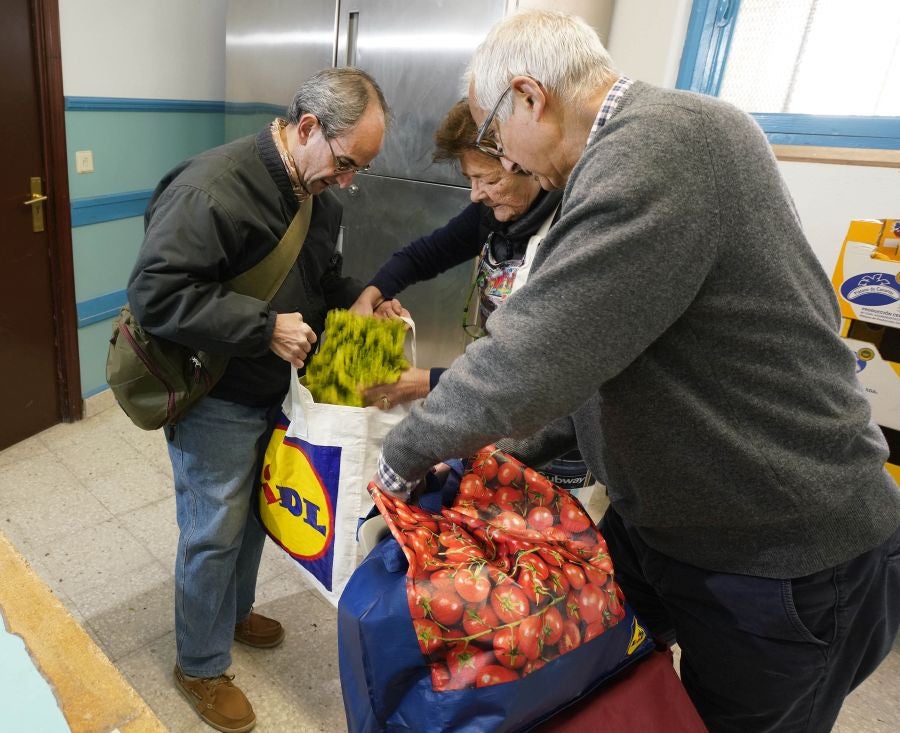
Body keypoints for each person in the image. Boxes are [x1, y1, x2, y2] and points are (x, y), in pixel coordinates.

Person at [373, 10, 900, 733]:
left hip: (782, 554)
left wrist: (403, 456)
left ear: (530, 97)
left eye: (498, 138)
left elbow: (535, 350)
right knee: (600, 686)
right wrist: (492, 450)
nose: (508, 162)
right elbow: (596, 364)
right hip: (666, 527)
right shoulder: (615, 163)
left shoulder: (669, 144)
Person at [127, 67, 388, 733]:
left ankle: (232, 611)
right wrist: (263, 328)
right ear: (307, 128)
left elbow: (319, 278)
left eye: (360, 168)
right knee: (213, 530)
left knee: (253, 518)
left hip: (277, 393)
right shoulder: (212, 187)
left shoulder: (318, 197)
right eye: (347, 161)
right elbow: (156, 296)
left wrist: (357, 293)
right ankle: (200, 662)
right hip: (214, 391)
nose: (349, 180)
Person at [350, 99, 562, 408]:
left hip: (548, 418)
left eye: (489, 180)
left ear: (526, 165)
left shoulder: (565, 230)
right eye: (470, 180)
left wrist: (422, 381)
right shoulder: (488, 214)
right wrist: (369, 297)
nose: (476, 194)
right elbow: (423, 255)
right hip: (494, 398)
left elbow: (538, 368)